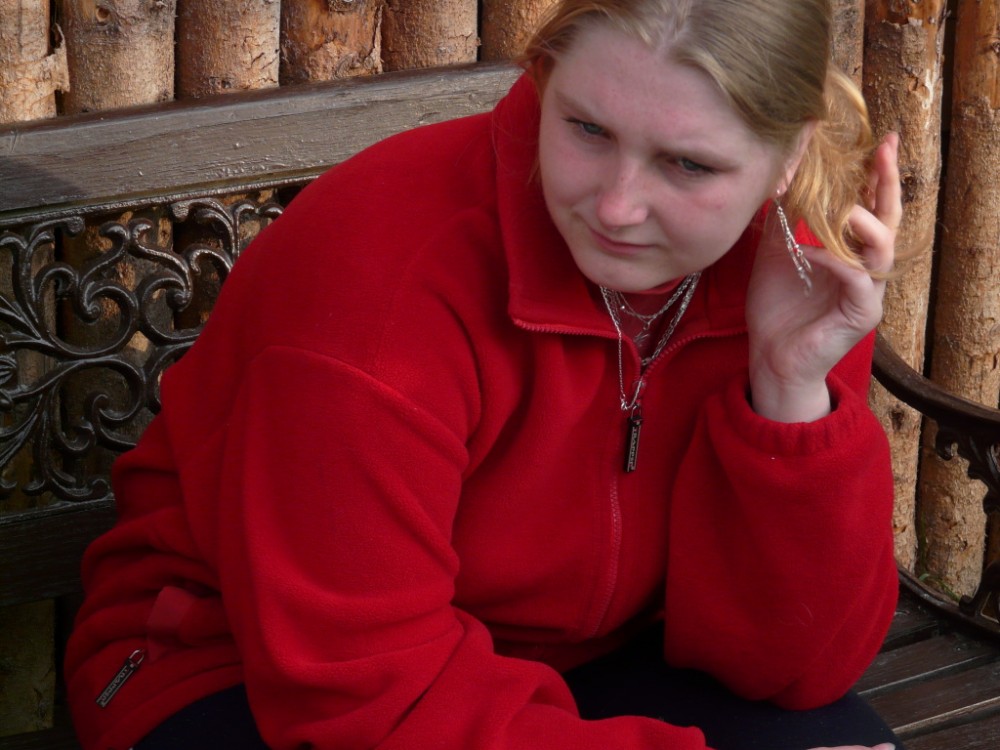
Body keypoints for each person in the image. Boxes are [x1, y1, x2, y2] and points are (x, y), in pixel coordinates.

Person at [65, 1, 905, 748]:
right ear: (543, 77)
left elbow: (798, 670)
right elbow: (360, 695)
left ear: (790, 155)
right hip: (242, 673)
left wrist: (788, 391)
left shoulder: (796, 273)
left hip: (584, 659)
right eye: (587, 129)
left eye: (688, 165)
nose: (617, 206)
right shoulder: (379, 279)